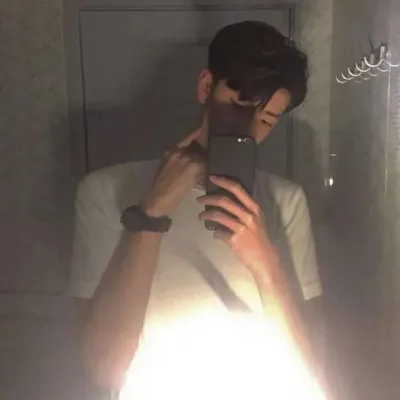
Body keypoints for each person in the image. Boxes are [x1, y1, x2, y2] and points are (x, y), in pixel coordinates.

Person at [70, 21, 326, 398]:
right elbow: (102, 368)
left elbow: (311, 365)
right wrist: (149, 216)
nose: (249, 129)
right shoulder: (105, 191)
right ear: (207, 87)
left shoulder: (286, 201)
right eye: (241, 106)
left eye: (267, 120)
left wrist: (265, 263)